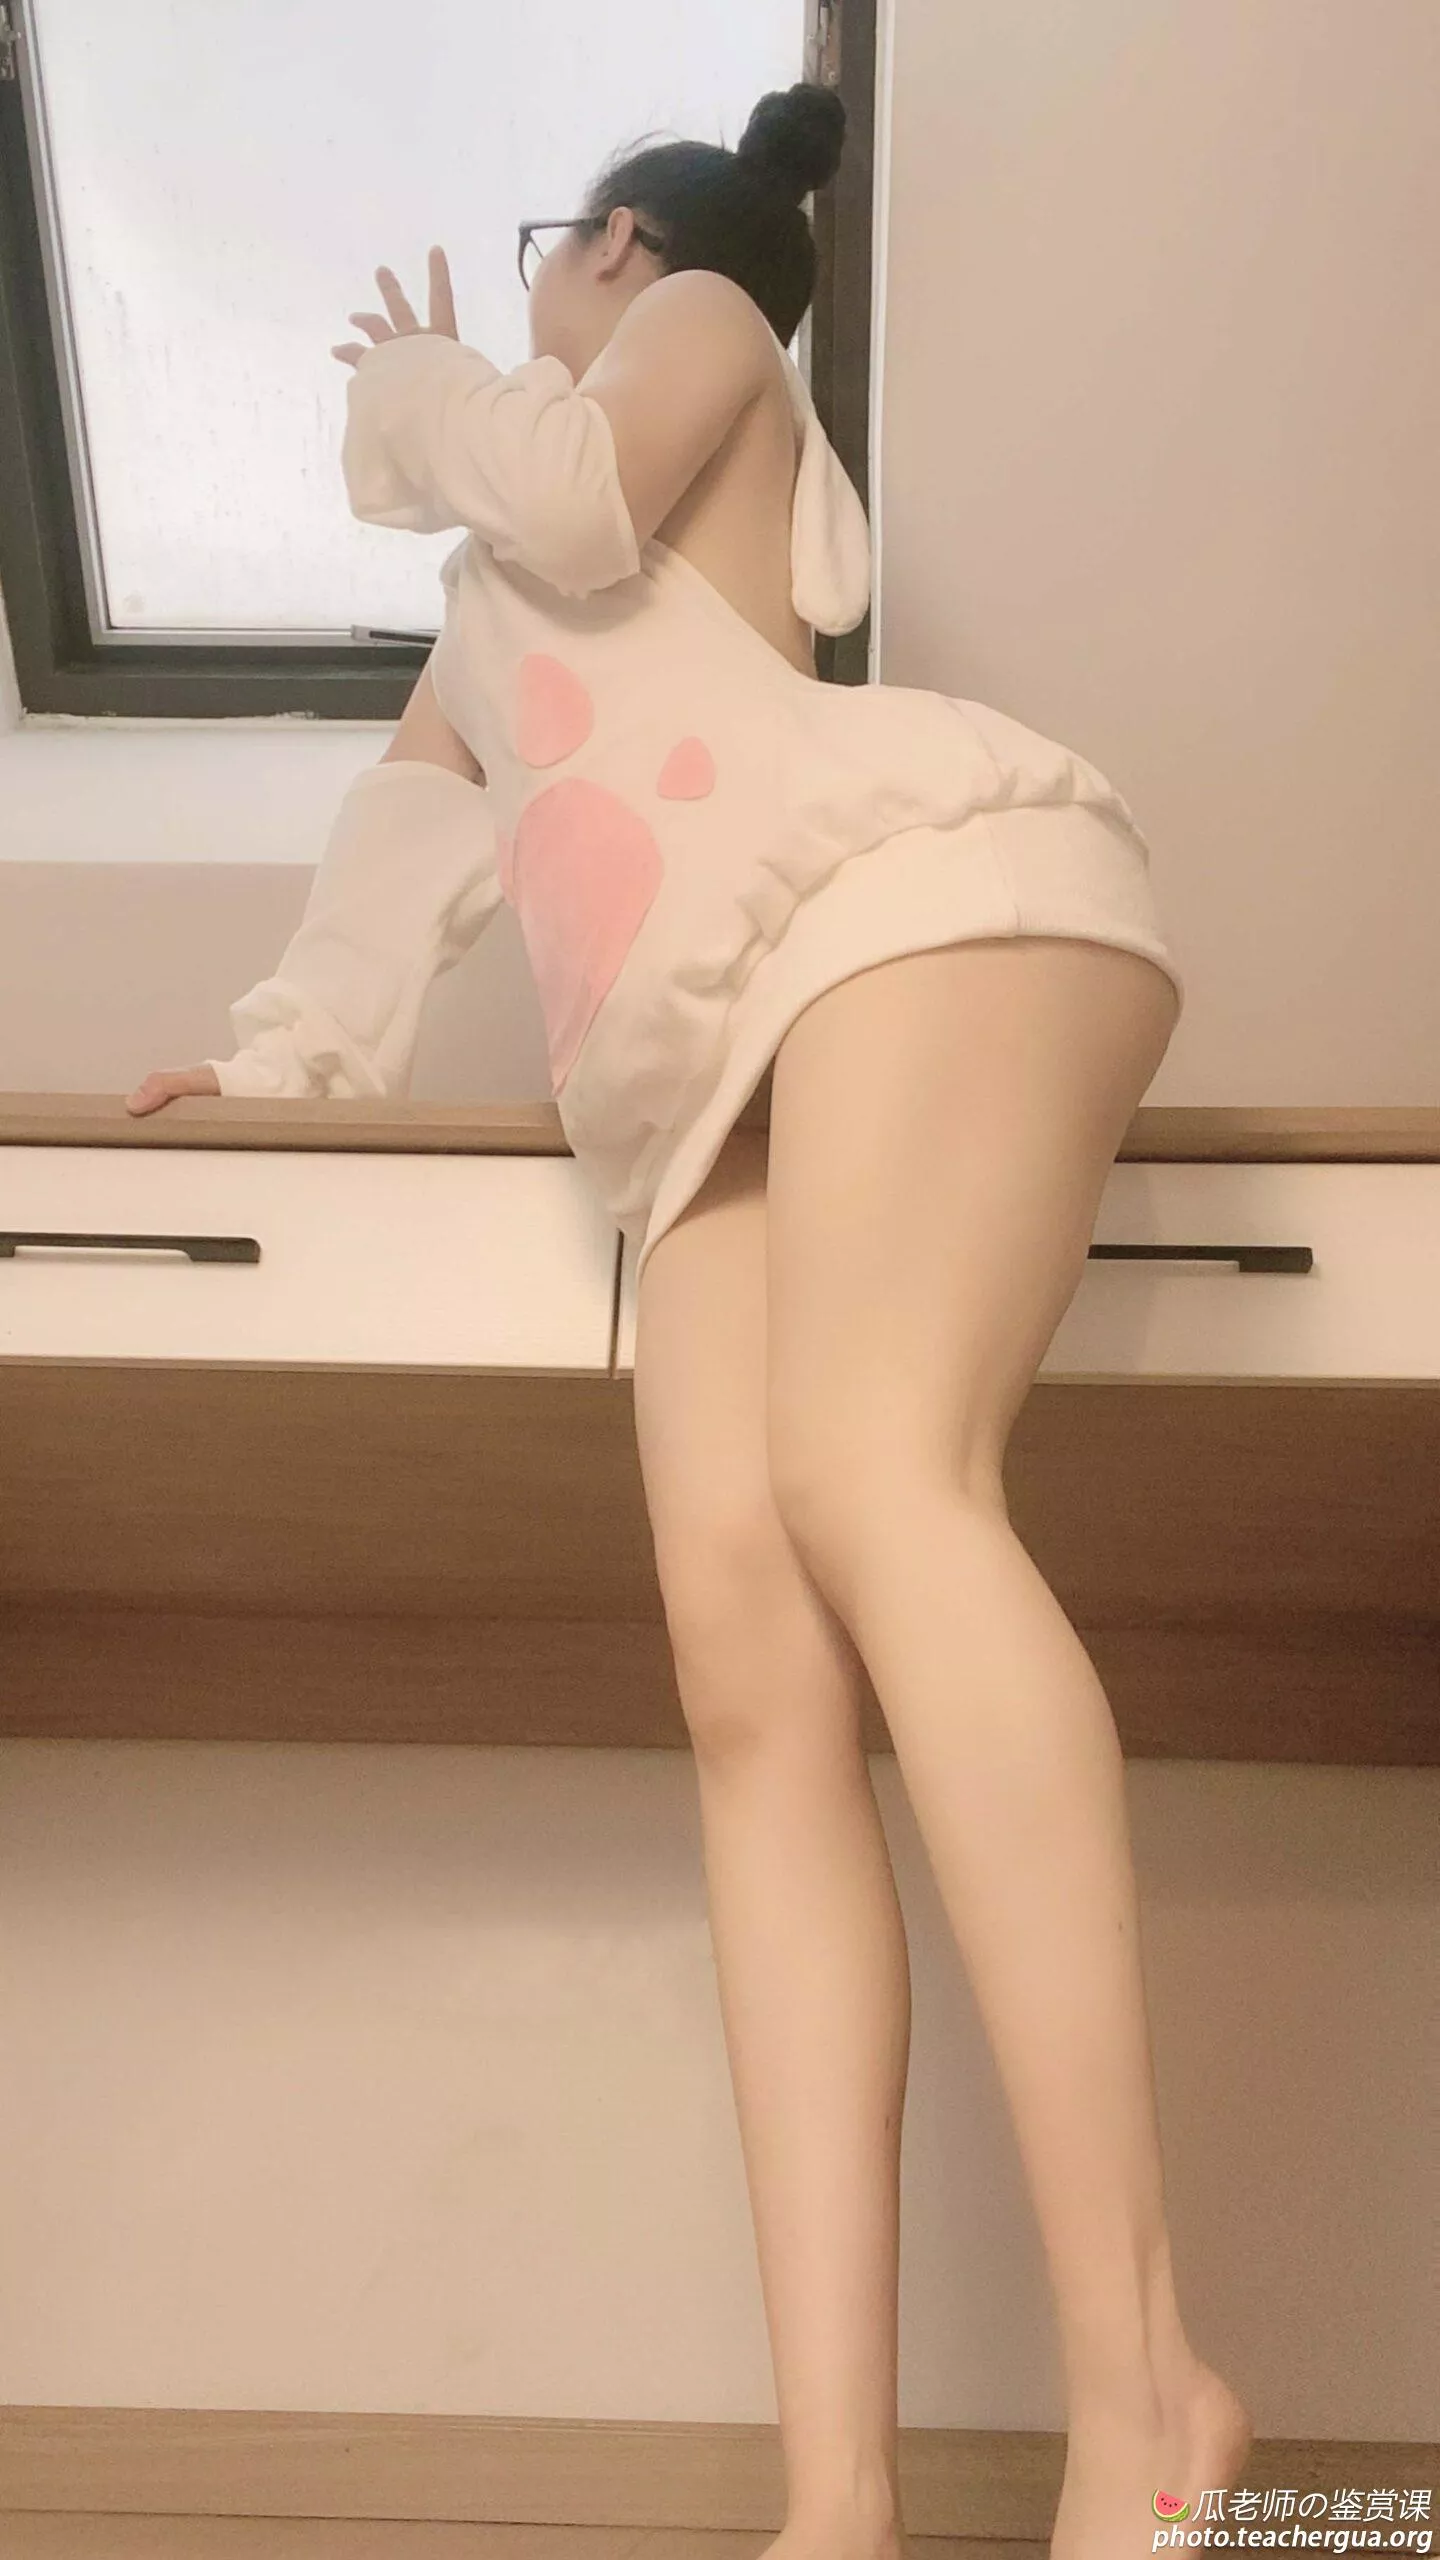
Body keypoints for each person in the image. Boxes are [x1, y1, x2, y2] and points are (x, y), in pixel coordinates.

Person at [126, 80, 1251, 2560]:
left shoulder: (710, 321)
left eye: (555, 259)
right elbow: (397, 868)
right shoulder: (484, 628)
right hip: (718, 1067)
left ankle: (1151, 2391)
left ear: (615, 248)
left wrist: (413, 386)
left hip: (911, 897)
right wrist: (276, 1065)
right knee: (747, 1676)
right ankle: (834, 2498)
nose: (529, 301)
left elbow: (566, 491)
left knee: (871, 1478)